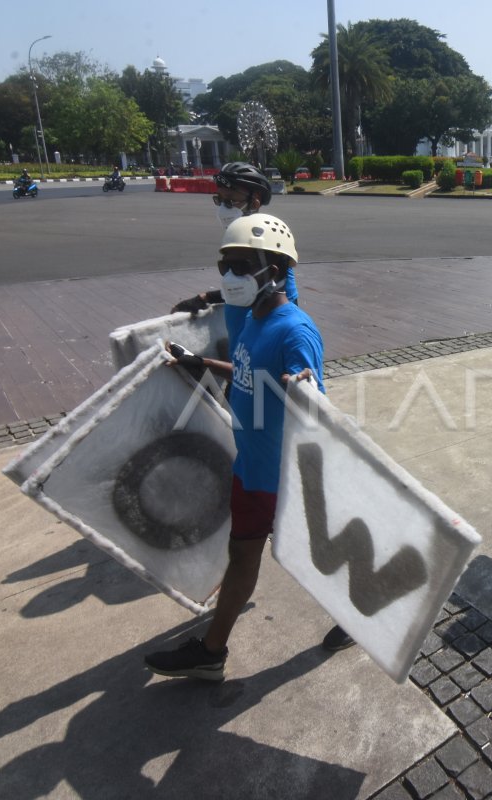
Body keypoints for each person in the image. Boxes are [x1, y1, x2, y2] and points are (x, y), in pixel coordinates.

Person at [144, 214, 352, 681]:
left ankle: (360, 616)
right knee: (244, 556)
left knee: (319, 557)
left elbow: (310, 390)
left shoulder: (294, 329)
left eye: (242, 265)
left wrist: (302, 384)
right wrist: (202, 363)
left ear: (276, 269)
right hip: (252, 470)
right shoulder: (250, 319)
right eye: (225, 267)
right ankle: (212, 652)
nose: (230, 277)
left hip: (288, 477)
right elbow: (246, 372)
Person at [172, 162, 299, 315]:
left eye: (230, 200)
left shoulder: (269, 246)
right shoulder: (236, 238)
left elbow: (263, 293)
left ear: (254, 201)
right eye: (220, 200)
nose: (223, 208)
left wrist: (206, 297)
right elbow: (238, 287)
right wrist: (204, 298)